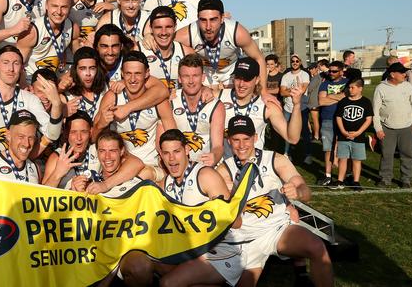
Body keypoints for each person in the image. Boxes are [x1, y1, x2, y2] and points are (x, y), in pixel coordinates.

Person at [216, 116, 333, 287]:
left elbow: (305, 190)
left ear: (255, 138)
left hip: (277, 230)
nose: (241, 145)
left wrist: (297, 191)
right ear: (229, 140)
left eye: (246, 139)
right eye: (236, 140)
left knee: (317, 247)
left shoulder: (275, 159)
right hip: (246, 239)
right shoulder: (223, 170)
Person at [114, 129, 241, 287]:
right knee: (141, 261)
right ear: (161, 156)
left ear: (187, 150)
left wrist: (209, 212)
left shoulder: (205, 175)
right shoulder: (164, 185)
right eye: (166, 153)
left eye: (176, 151)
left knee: (169, 283)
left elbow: (236, 221)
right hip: (186, 250)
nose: (172, 158)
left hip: (219, 250)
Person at [175, 0, 275, 107]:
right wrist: (151, 35)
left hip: (231, 76)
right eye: (203, 20)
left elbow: (259, 58)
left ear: (222, 18)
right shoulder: (188, 33)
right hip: (206, 76)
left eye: (213, 19)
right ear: (198, 19)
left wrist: (264, 92)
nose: (208, 27)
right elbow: (164, 42)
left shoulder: (236, 32)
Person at [93, 50, 176, 180]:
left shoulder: (158, 100)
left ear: (147, 74)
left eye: (137, 74)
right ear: (121, 74)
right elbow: (93, 138)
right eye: (128, 74)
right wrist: (101, 124)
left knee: (141, 175)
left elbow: (173, 136)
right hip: (118, 166)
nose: (132, 79)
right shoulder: (112, 97)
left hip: (149, 166)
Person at [218, 57, 302, 158]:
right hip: (223, 167)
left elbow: (293, 138)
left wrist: (296, 105)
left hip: (252, 167)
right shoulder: (218, 97)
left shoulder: (267, 106)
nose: (241, 84)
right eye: (238, 78)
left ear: (257, 80)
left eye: (247, 79)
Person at [42, 112, 143, 193]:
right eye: (73, 132)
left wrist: (106, 185)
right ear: (66, 133)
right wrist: (57, 174)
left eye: (83, 132)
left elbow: (137, 163)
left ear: (90, 132)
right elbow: (40, 197)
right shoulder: (57, 157)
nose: (79, 138)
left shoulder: (97, 149)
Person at [15, 0, 81, 82]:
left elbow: (80, 59)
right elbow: (17, 64)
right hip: (31, 82)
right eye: (54, 6)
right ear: (46, 6)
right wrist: (24, 85)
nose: (59, 12)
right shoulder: (32, 31)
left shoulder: (73, 28)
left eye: (64, 7)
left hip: (55, 81)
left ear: (70, 7)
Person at [373, 62, 412, 188]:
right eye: (402, 72)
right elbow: (375, 111)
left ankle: (406, 179)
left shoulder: (407, 86)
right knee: (387, 154)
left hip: (407, 126)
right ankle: (385, 178)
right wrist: (378, 129)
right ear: (392, 74)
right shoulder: (380, 88)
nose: (405, 75)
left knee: (408, 154)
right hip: (387, 128)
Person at [172, 54, 225, 164]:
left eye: (195, 75)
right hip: (179, 165)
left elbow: (218, 146)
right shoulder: (171, 101)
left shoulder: (216, 106)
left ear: (203, 77)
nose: (191, 81)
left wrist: (214, 157)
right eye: (186, 76)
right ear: (179, 79)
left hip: (206, 164)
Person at [138, 6, 195, 93]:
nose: (163, 32)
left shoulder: (187, 53)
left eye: (168, 27)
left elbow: (197, 85)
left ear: (175, 27)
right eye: (158, 27)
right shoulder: (139, 51)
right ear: (150, 28)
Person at [334, 78, 372, 191]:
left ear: (360, 88)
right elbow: (339, 117)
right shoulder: (343, 101)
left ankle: (356, 181)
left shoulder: (365, 102)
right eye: (349, 87)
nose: (350, 90)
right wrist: (343, 131)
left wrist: (358, 132)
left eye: (352, 87)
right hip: (343, 136)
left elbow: (369, 119)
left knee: (356, 160)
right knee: (343, 158)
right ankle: (340, 180)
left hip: (358, 136)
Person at [316, 61, 349, 186]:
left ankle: (344, 176)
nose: (331, 73)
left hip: (344, 119)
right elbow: (321, 101)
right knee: (327, 149)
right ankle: (328, 175)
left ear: (341, 71)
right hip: (327, 118)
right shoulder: (325, 83)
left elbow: (346, 97)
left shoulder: (347, 83)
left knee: (344, 149)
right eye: (330, 71)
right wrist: (339, 97)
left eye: (334, 71)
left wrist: (330, 96)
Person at [279, 54, 311, 164]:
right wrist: (294, 91)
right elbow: (282, 92)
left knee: (305, 132)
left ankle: (307, 155)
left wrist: (289, 90)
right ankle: (287, 153)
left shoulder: (305, 75)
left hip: (302, 108)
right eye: (293, 61)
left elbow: (302, 90)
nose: (295, 62)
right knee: (286, 131)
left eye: (297, 61)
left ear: (300, 62)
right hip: (288, 108)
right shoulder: (286, 76)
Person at [61, 46, 108, 119]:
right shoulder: (65, 96)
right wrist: (61, 114)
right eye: (82, 69)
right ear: (75, 70)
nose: (88, 73)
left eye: (92, 68)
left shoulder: (108, 88)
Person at [307, 59, 329, 141]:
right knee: (311, 119)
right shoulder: (319, 77)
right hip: (313, 100)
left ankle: (316, 135)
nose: (310, 70)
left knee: (315, 119)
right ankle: (313, 133)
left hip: (314, 101)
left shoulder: (317, 77)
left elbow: (309, 88)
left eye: (312, 68)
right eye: (309, 68)